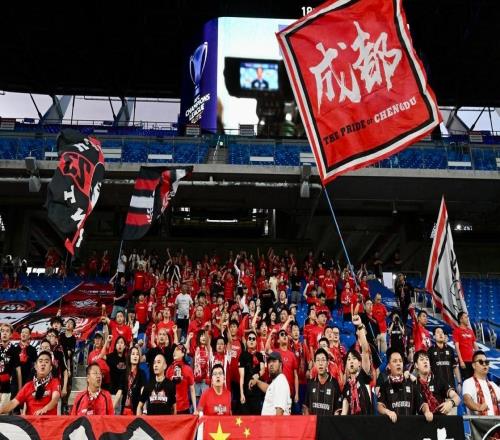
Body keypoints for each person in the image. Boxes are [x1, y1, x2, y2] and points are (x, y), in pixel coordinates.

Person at [377, 349, 433, 423]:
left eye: (400, 361)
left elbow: (423, 404)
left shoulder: (412, 383)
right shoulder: (385, 385)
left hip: (410, 427)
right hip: (392, 427)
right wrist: (387, 412)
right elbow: (379, 405)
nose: (398, 363)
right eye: (395, 361)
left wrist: (427, 411)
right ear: (389, 366)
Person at [0, 351, 60, 415]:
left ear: (50, 368)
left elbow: (55, 399)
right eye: (40, 361)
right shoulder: (28, 385)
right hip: (31, 420)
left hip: (49, 421)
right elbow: (13, 403)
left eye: (46, 362)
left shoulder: (55, 382)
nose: (43, 364)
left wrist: (44, 409)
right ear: (36, 366)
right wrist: (1, 410)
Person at [341, 315, 373, 415]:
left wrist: (360, 326)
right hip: (352, 423)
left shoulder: (363, 375)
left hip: (366, 422)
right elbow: (344, 413)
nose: (351, 361)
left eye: (354, 358)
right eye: (349, 359)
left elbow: (365, 350)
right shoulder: (347, 386)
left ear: (359, 363)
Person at [414, 350, 460, 415]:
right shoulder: (414, 384)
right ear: (416, 365)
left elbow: (457, 398)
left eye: (427, 359)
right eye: (422, 360)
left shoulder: (438, 380)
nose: (425, 361)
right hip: (422, 420)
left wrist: (450, 403)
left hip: (440, 419)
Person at [303, 348, 341, 415]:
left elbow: (337, 410)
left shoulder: (334, 383)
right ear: (315, 363)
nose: (320, 363)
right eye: (318, 360)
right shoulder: (310, 384)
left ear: (327, 363)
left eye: (323, 360)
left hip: (329, 421)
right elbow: (306, 407)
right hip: (314, 422)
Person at [463, 350, 500, 416]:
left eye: (486, 362)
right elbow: (467, 400)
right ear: (474, 365)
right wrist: (478, 407)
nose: (484, 364)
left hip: (496, 421)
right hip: (480, 422)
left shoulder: (493, 384)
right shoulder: (468, 382)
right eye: (481, 362)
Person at [256, 351, 291, 415]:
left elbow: (279, 411)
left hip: (275, 421)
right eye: (269, 362)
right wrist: (257, 381)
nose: (271, 364)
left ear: (280, 364)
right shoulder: (276, 381)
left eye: (274, 361)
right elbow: (269, 388)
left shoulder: (280, 381)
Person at [239, 330, 265, 415]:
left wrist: (257, 375)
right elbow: (241, 376)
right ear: (246, 341)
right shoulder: (243, 355)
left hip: (257, 391)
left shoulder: (260, 355)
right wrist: (242, 393)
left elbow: (263, 370)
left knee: (257, 417)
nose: (251, 340)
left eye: (253, 339)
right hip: (246, 391)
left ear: (256, 342)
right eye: (249, 338)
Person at [166, 344, 196, 414]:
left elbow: (192, 390)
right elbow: (165, 389)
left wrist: (195, 409)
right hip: (171, 407)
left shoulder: (188, 369)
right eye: (174, 350)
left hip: (184, 408)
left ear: (183, 353)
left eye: (177, 350)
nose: (174, 352)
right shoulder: (169, 369)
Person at [428, 327, 461, 391]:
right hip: (436, 386)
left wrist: (459, 383)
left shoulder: (450, 349)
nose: (441, 334)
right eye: (438, 332)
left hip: (450, 385)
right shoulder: (430, 350)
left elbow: (455, 366)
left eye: (442, 332)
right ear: (434, 336)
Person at [120, 345, 147, 415]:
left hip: (136, 410)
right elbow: (119, 391)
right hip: (124, 409)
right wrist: (112, 408)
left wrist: (144, 409)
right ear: (129, 356)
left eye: (137, 354)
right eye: (133, 354)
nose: (135, 356)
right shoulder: (124, 372)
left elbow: (143, 391)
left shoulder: (142, 373)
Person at [0, 323, 21, 406]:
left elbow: (18, 370)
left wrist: (20, 388)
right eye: (2, 331)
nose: (4, 333)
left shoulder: (14, 350)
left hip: (7, 386)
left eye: (7, 331)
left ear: (11, 334)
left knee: (3, 412)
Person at [453, 312, 477, 381]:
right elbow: (457, 347)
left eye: (467, 317)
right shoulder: (456, 331)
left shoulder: (470, 331)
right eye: (466, 317)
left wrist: (478, 359)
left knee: (474, 381)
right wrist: (461, 361)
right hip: (464, 361)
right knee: (466, 381)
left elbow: (475, 346)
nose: (467, 319)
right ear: (461, 320)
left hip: (473, 361)